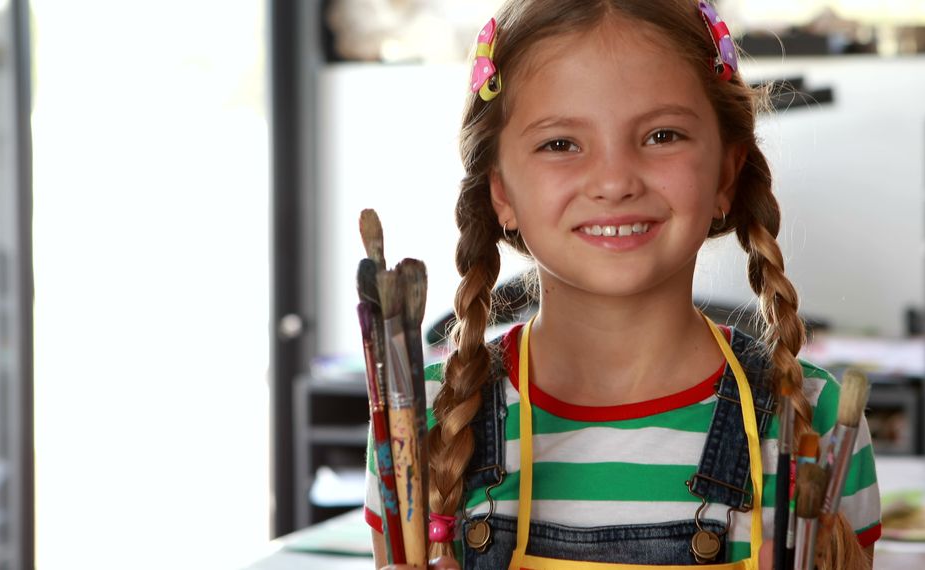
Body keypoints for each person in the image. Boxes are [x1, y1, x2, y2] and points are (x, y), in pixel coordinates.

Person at [366, 0, 881, 568]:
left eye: (662, 135)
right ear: (501, 192)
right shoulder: (423, 426)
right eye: (560, 144)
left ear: (726, 175)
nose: (614, 182)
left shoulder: (818, 421)